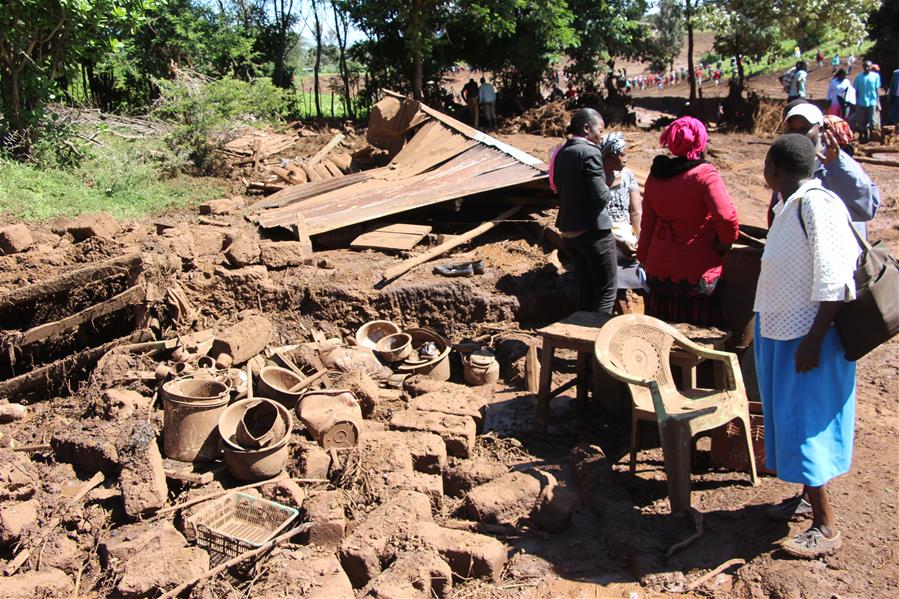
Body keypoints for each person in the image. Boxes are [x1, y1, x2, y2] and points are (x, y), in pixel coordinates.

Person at [755, 133, 860, 559]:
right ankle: (805, 498)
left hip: (808, 335)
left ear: (776, 169)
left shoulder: (816, 204)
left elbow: (835, 280)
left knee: (807, 422)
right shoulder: (791, 204)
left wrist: (814, 341)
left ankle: (825, 526)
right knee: (793, 419)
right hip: (785, 330)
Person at [637, 117, 739, 327]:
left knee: (663, 334)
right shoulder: (704, 174)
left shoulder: (656, 175)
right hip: (696, 270)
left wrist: (644, 259)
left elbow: (647, 225)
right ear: (701, 142)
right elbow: (726, 217)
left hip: (659, 269)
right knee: (701, 336)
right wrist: (725, 243)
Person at [777, 101, 880, 238]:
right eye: (791, 129)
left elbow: (865, 209)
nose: (797, 135)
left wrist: (835, 166)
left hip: (836, 249)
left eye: (804, 128)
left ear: (820, 130)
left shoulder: (837, 163)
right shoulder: (787, 163)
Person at [552, 109, 617, 315]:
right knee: (606, 293)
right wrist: (611, 183)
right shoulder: (589, 152)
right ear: (587, 128)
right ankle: (596, 342)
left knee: (587, 292)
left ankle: (583, 345)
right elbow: (600, 197)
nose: (602, 135)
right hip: (594, 233)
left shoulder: (562, 152)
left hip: (571, 233)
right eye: (600, 130)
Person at [599, 133, 645, 312]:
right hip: (604, 232)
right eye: (622, 154)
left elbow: (635, 211)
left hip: (626, 232)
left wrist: (639, 237)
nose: (626, 159)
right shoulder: (596, 180)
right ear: (609, 156)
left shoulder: (627, 176)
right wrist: (616, 241)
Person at [852, 60, 881, 142]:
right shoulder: (858, 77)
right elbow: (856, 91)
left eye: (868, 66)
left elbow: (876, 90)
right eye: (865, 67)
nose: (867, 68)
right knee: (861, 120)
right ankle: (863, 135)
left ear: (871, 67)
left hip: (872, 101)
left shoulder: (875, 76)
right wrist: (856, 102)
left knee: (872, 120)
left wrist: (878, 102)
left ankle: (872, 136)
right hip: (861, 102)